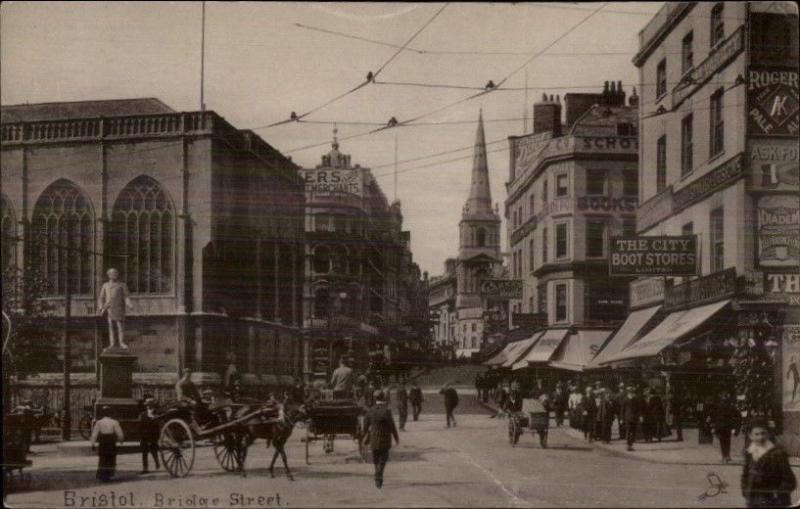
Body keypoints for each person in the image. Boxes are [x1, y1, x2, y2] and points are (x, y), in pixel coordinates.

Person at [741, 419, 797, 508]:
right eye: (756, 434)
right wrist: (746, 491)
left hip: (774, 501)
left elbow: (790, 480)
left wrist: (777, 494)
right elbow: (745, 475)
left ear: (768, 434)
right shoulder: (750, 453)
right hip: (754, 500)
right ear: (750, 436)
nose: (760, 437)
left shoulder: (778, 453)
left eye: (763, 433)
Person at [362, 390, 400, 489]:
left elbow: (365, 427)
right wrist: (396, 438)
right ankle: (378, 476)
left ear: (375, 399)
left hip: (374, 439)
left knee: (375, 459)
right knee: (383, 460)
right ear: (383, 398)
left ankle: (378, 477)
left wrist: (362, 437)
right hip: (385, 439)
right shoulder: (387, 411)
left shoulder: (370, 411)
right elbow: (392, 426)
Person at [97, 268, 133, 349]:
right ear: (109, 275)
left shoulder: (122, 285)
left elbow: (126, 297)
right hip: (109, 308)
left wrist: (129, 304)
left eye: (116, 273)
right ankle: (112, 343)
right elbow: (101, 297)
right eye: (113, 273)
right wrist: (100, 307)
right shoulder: (105, 285)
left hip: (119, 308)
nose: (114, 275)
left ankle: (121, 342)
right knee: (111, 326)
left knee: (120, 326)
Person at [90, 406, 124, 482]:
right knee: (110, 457)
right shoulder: (114, 422)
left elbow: (94, 434)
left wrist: (92, 444)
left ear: (102, 414)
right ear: (110, 413)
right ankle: (108, 474)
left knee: (103, 457)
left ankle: (102, 475)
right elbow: (120, 433)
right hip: (111, 441)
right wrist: (121, 440)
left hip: (103, 441)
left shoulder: (99, 422)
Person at [710, 392, 741, 463]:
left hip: (724, 427)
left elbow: (715, 417)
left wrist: (714, 427)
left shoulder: (721, 407)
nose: (723, 401)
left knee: (724, 441)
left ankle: (725, 456)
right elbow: (715, 417)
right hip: (724, 427)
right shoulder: (729, 407)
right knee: (725, 441)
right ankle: (726, 456)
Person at [138, 398, 160, 474]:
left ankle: (157, 462)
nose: (147, 406)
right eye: (147, 404)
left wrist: (157, 437)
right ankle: (145, 469)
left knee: (154, 451)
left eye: (149, 404)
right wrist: (141, 437)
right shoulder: (142, 414)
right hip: (144, 435)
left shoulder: (157, 414)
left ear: (152, 405)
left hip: (153, 436)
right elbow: (140, 426)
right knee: (144, 453)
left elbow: (158, 426)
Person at [620, 385, 644, 451]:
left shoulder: (635, 399)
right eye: (629, 391)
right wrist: (621, 418)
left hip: (635, 417)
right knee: (628, 430)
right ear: (627, 392)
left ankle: (630, 445)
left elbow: (639, 409)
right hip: (627, 417)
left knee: (633, 431)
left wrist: (640, 416)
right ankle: (628, 445)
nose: (630, 392)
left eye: (631, 391)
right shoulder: (625, 399)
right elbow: (622, 409)